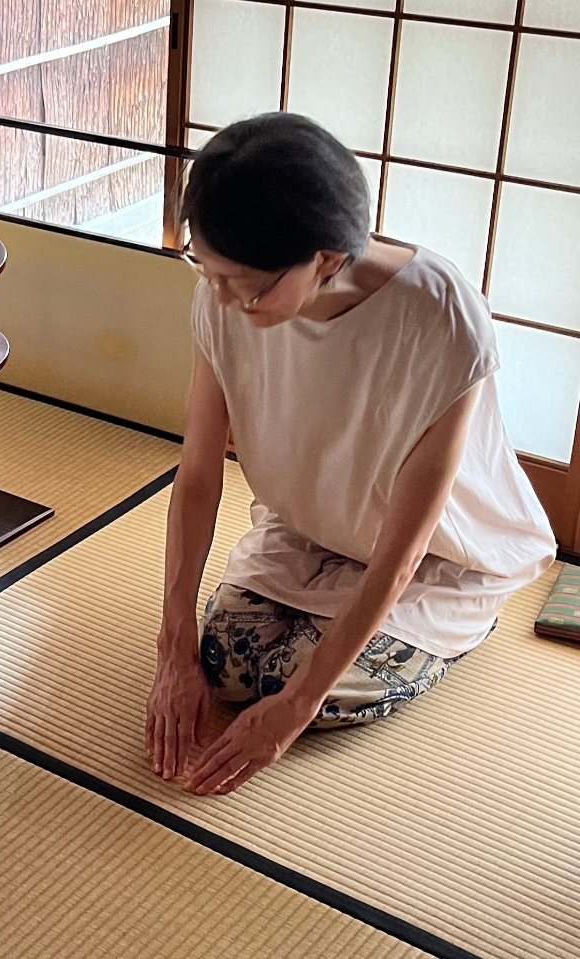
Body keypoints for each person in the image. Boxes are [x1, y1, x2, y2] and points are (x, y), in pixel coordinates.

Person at [144, 113, 555, 797]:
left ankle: (442, 634)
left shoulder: (443, 320)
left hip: (435, 557)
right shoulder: (224, 297)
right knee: (227, 665)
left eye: (241, 282)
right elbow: (197, 477)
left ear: (326, 259)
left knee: (308, 695)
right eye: (206, 268)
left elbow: (405, 548)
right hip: (311, 523)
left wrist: (297, 707)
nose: (219, 296)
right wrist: (172, 644)